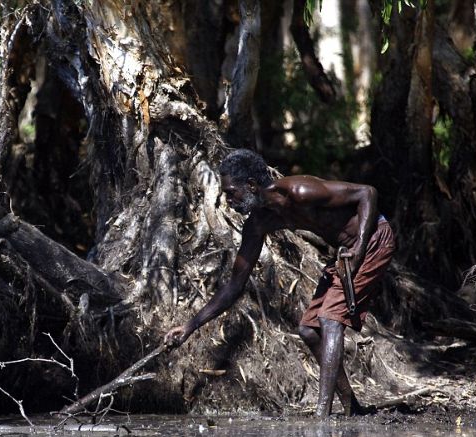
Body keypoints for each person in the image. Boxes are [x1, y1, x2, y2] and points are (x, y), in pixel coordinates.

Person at [164, 149, 395, 417]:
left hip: (374, 238)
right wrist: (190, 326)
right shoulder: (259, 223)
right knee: (309, 329)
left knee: (330, 320)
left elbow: (367, 193)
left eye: (231, 193)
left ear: (251, 185)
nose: (228, 201)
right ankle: (352, 409)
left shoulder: (299, 191)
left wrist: (360, 247)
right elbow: (234, 285)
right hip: (346, 251)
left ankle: (322, 416)